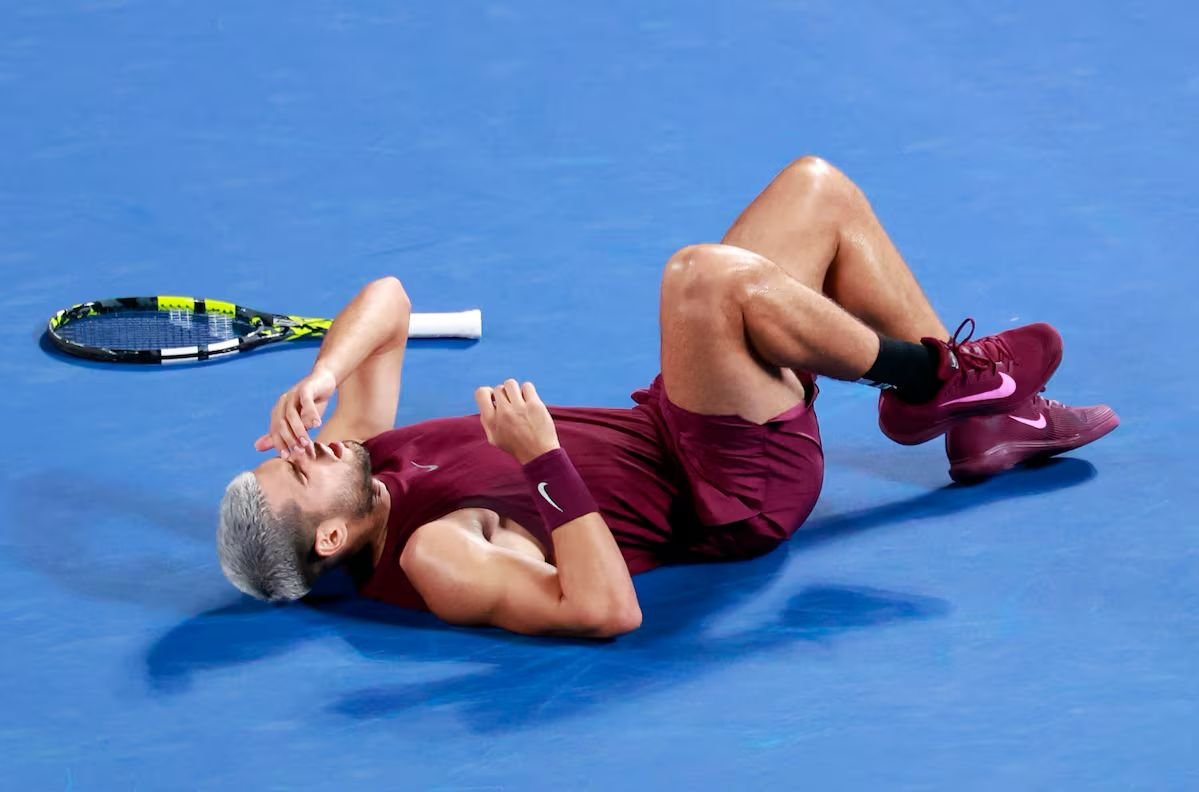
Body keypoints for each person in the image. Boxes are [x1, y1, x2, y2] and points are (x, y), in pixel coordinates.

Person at [216, 156, 1118, 638]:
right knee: (701, 278)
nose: (305, 448)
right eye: (297, 474)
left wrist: (322, 376)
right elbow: (604, 610)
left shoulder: (363, 460)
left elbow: (389, 300)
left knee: (817, 191)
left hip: (680, 419)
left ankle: (984, 420)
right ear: (329, 539)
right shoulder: (434, 557)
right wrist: (540, 458)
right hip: (732, 491)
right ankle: (933, 383)